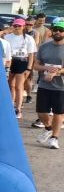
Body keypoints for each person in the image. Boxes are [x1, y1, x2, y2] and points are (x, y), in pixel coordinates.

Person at [32, 20, 64, 148]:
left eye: (60, 30)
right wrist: (46, 69)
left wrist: (56, 72)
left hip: (61, 87)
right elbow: (35, 65)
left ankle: (54, 138)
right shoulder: (44, 47)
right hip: (44, 85)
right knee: (41, 112)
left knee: (58, 113)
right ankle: (48, 128)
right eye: (55, 29)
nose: (57, 32)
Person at [5, 18, 36, 119]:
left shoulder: (28, 38)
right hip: (11, 61)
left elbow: (31, 55)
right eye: (15, 25)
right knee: (11, 86)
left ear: (23, 27)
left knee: (19, 87)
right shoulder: (7, 36)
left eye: (19, 26)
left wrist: (29, 68)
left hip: (22, 62)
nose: (17, 27)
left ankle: (18, 108)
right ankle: (11, 106)